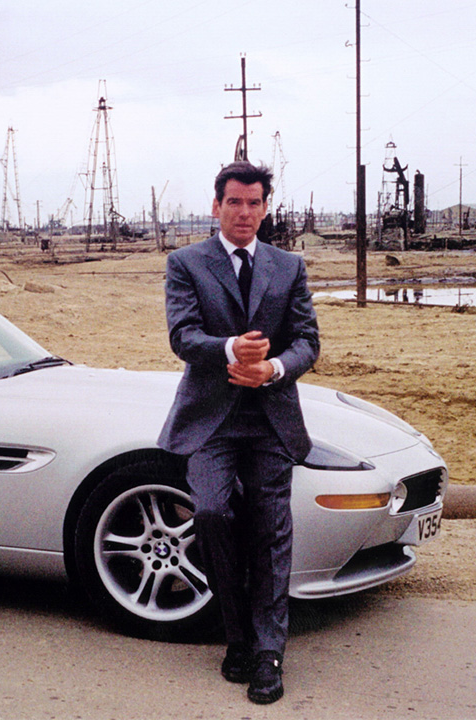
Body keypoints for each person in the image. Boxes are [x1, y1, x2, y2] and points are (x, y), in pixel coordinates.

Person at [157, 161, 319, 704]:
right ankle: (237, 634)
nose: (244, 212)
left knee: (271, 529)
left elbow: (307, 342)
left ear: (265, 208)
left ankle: (268, 654)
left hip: (271, 417)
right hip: (212, 419)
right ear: (216, 207)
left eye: (254, 203)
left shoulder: (289, 266)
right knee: (210, 513)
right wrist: (231, 350)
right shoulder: (186, 263)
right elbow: (183, 336)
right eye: (234, 202)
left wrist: (271, 368)